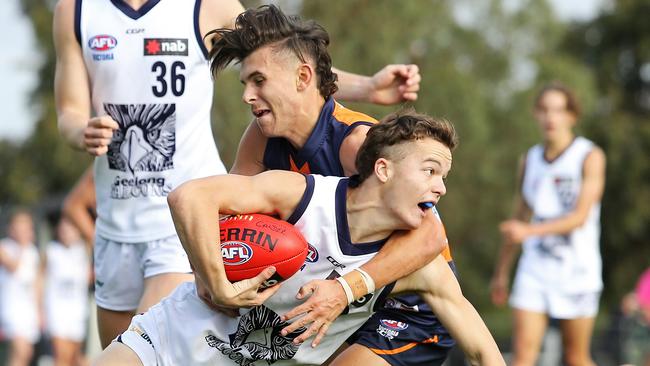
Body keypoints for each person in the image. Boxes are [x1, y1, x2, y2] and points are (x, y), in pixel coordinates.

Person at [53, 0, 422, 348]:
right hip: (115, 224)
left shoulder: (205, 6)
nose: (249, 94)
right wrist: (79, 130)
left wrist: (368, 87)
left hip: (181, 221)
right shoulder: (75, 10)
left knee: (147, 348)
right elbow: (69, 110)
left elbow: (281, 58)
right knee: (118, 352)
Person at [94, 109, 504, 366]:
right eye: (430, 171)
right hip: (168, 339)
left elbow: (483, 352)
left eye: (443, 177)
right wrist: (219, 283)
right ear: (383, 170)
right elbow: (188, 196)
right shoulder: (300, 193)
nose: (440, 189)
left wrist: (347, 289)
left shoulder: (420, 267)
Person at [211, 5, 457, 364]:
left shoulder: (356, 143)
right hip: (335, 305)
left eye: (259, 81)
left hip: (406, 308)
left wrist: (345, 290)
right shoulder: (261, 138)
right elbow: (226, 220)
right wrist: (212, 276)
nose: (247, 95)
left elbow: (430, 237)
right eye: (245, 83)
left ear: (302, 77)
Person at [490, 82, 606, 366]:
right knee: (523, 357)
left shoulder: (589, 156)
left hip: (577, 271)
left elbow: (579, 218)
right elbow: (518, 220)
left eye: (558, 110)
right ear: (535, 114)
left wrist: (528, 231)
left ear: (572, 116)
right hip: (535, 270)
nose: (550, 117)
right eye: (543, 110)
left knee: (575, 357)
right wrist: (502, 272)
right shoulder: (529, 160)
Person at [43, 214, 91, 366]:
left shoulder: (84, 250)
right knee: (61, 356)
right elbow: (39, 280)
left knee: (75, 358)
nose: (66, 232)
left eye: (70, 228)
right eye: (63, 229)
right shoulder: (51, 251)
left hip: (77, 312)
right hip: (56, 311)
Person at [0, 210, 41, 366]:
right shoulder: (4, 246)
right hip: (11, 308)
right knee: (20, 350)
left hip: (28, 309)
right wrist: (23, 246)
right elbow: (13, 267)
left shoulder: (33, 252)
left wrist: (38, 310)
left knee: (26, 353)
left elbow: (36, 283)